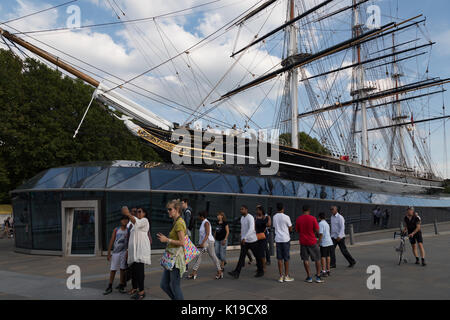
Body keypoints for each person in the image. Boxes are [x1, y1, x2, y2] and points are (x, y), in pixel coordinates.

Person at [157, 199, 186, 300]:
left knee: (175, 286)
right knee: (164, 284)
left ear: (177, 209)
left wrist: (167, 239)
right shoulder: (176, 222)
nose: (168, 211)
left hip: (176, 260)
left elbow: (182, 242)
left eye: (170, 209)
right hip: (170, 258)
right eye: (167, 209)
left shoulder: (179, 223)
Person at [122, 206, 151, 300]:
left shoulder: (144, 220)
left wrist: (128, 214)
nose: (138, 213)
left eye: (139, 212)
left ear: (144, 213)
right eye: (137, 212)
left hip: (140, 252)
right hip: (133, 253)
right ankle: (134, 288)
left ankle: (142, 292)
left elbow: (136, 221)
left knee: (139, 272)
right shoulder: (133, 224)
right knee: (133, 272)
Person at [228, 205, 264, 279]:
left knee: (257, 256)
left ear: (246, 210)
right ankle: (236, 272)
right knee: (242, 257)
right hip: (245, 241)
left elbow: (251, 229)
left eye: (242, 209)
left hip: (252, 240)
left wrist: (245, 237)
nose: (241, 210)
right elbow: (243, 229)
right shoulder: (242, 218)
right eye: (240, 209)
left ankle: (261, 271)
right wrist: (242, 238)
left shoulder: (250, 217)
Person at [188, 211, 223, 280]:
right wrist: (201, 243)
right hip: (204, 242)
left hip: (208, 242)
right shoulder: (203, 222)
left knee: (213, 256)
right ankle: (194, 273)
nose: (198, 217)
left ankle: (220, 272)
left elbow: (207, 234)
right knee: (199, 256)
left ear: (202, 216)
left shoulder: (206, 223)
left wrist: (202, 243)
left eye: (199, 216)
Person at [295, 205, 323, 283]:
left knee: (305, 259)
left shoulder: (299, 219)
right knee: (317, 259)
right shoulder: (313, 218)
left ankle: (309, 277)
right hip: (312, 241)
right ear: (309, 210)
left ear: (302, 210)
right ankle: (318, 276)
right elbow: (317, 230)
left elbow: (297, 230)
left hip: (303, 242)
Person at [104, 216, 129, 295]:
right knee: (113, 269)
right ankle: (110, 286)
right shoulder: (116, 229)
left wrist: (128, 252)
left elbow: (129, 242)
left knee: (122, 269)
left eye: (126, 220)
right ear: (120, 221)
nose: (125, 221)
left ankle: (121, 285)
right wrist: (108, 253)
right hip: (115, 253)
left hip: (124, 252)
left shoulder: (128, 231)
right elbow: (112, 241)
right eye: (123, 220)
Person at [272, 203, 294, 283]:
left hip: (278, 239)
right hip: (285, 239)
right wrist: (289, 231)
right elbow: (290, 227)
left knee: (279, 258)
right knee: (286, 258)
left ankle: (281, 276)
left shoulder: (274, 217)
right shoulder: (286, 217)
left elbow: (274, 227)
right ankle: (286, 276)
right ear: (283, 208)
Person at [318, 212, 333, 278]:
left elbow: (321, 234)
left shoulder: (320, 223)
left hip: (324, 242)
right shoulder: (327, 223)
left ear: (319, 217)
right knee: (328, 256)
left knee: (323, 257)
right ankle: (328, 270)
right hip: (329, 241)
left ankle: (323, 271)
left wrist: (319, 241)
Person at [255, 205, 270, 271]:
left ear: (261, 210)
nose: (257, 211)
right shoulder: (255, 217)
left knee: (262, 252)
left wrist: (269, 218)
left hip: (263, 236)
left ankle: (263, 267)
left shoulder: (265, 217)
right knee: (257, 252)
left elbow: (269, 225)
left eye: (258, 210)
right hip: (256, 236)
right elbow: (254, 226)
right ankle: (259, 267)